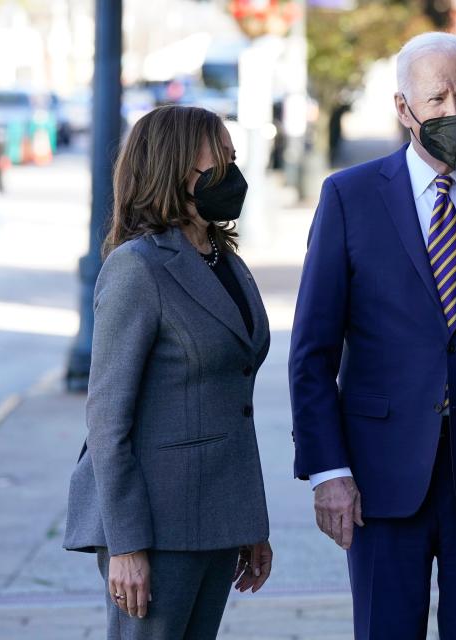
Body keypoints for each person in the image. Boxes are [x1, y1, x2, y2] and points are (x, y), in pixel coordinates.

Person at [289, 32, 456, 640]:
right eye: (436, 98)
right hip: (379, 479)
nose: (453, 111)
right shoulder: (349, 198)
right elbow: (312, 351)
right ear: (403, 107)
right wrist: (328, 471)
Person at [63, 105, 273, 639]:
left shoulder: (223, 260)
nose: (232, 167)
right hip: (156, 526)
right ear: (175, 167)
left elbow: (233, 397)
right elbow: (107, 422)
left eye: (232, 155)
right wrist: (127, 545)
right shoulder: (137, 267)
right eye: (219, 157)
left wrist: (249, 523)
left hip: (217, 518)